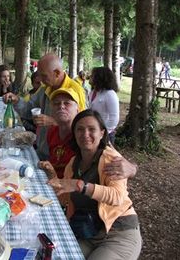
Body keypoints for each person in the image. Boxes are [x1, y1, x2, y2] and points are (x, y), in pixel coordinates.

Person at [48, 110, 142, 259]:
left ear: (102, 133)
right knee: (58, 256)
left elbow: (117, 196)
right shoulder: (73, 164)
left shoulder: (111, 159)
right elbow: (66, 199)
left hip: (119, 233)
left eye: (92, 129)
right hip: (89, 232)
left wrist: (80, 185)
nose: (85, 134)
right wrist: (52, 178)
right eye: (80, 129)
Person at [40, 87, 137, 182]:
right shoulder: (51, 131)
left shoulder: (88, 137)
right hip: (54, 184)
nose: (61, 106)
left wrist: (133, 169)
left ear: (77, 109)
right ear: (51, 109)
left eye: (67, 103)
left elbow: (116, 158)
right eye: (56, 103)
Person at [3, 53, 86, 160]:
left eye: (44, 75)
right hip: (43, 150)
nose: (41, 80)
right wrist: (17, 101)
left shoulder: (76, 90)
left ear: (57, 73)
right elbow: (30, 109)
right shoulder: (46, 87)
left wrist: (54, 122)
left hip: (63, 156)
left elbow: (82, 126)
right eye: (39, 75)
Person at [88, 67, 119, 144]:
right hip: (93, 131)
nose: (90, 77)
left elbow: (114, 118)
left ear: (99, 78)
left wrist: (103, 132)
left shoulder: (110, 94)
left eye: (92, 75)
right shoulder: (92, 92)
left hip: (106, 135)